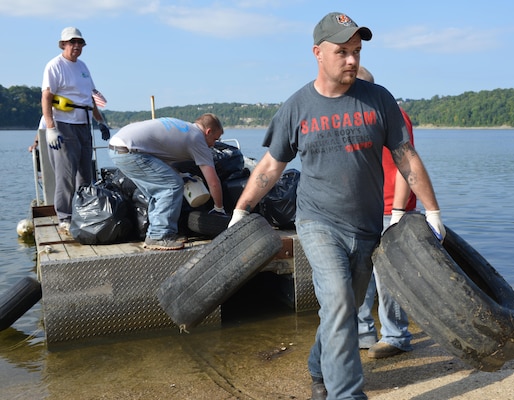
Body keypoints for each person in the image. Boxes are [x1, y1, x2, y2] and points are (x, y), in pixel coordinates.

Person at [227, 12, 446, 400]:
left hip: (366, 227)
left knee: (339, 311)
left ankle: (318, 367)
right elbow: (271, 166)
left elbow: (405, 156)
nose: (351, 60)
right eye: (342, 51)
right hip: (317, 221)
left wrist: (432, 212)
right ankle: (347, 393)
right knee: (341, 301)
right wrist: (241, 210)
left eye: (356, 51)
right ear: (317, 53)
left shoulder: (378, 100)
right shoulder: (297, 106)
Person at [355, 66, 417, 359]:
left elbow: (406, 167)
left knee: (388, 277)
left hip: (390, 208)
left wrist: (397, 212)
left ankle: (396, 336)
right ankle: (363, 333)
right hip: (365, 208)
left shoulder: (393, 113)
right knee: (361, 274)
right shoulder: (355, 117)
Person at [108, 114, 225, 251]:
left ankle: (159, 232)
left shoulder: (185, 128)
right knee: (172, 186)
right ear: (208, 132)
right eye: (215, 139)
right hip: (131, 151)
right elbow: (213, 182)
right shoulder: (197, 138)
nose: (214, 144)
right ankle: (159, 236)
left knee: (157, 191)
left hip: (117, 147)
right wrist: (219, 208)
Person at [41, 27, 111, 235]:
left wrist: (100, 121)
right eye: (72, 43)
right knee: (66, 173)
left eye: (80, 43)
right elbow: (46, 97)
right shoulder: (54, 65)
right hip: (63, 124)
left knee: (85, 173)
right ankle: (64, 216)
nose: (77, 47)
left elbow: (90, 97)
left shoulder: (83, 67)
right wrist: (51, 127)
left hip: (84, 124)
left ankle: (84, 210)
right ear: (63, 44)